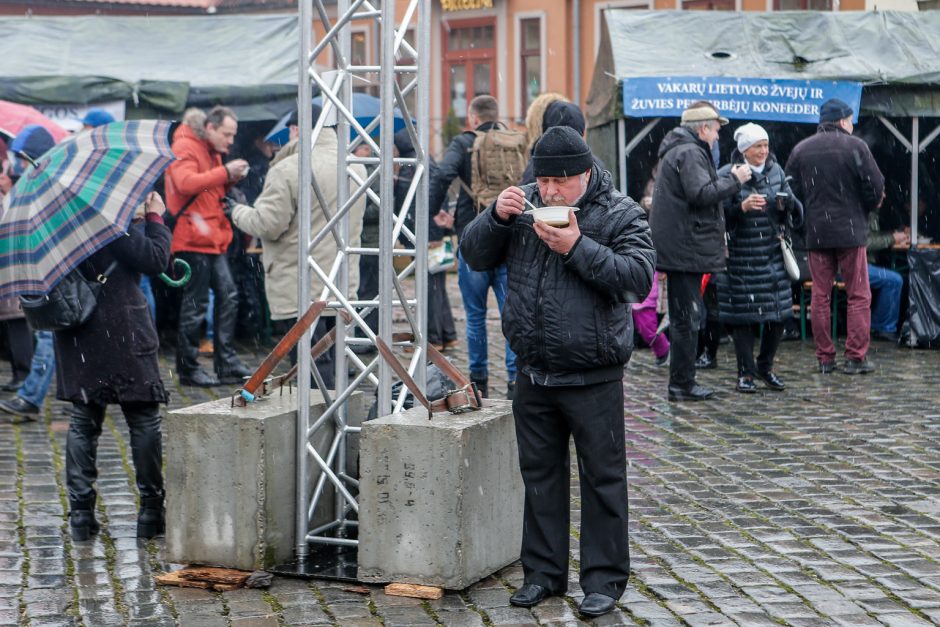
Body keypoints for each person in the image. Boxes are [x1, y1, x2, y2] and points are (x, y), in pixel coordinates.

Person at [460, 126, 655, 618]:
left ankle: (604, 581)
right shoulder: (523, 205)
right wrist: (495, 218)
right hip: (533, 371)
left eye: (559, 182)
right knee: (540, 478)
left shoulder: (621, 212)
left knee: (603, 480)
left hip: (594, 374)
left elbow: (636, 279)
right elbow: (473, 253)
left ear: (585, 174)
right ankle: (543, 574)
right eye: (542, 180)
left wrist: (575, 246)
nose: (548, 191)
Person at [57, 192, 171, 541]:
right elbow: (155, 260)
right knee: (143, 417)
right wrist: (154, 219)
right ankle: (151, 511)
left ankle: (80, 516)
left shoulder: (60, 221)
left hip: (78, 331)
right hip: (121, 325)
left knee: (83, 421)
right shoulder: (108, 216)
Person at [231, 105, 367, 388]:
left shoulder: (289, 168)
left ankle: (317, 428)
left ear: (295, 130)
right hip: (340, 279)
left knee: (311, 363)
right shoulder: (356, 164)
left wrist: (237, 211)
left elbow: (268, 224)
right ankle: (338, 419)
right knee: (333, 356)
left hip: (301, 281)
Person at [649, 102, 751, 401]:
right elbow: (701, 194)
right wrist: (735, 180)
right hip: (685, 249)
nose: (718, 136)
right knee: (686, 320)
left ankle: (683, 382)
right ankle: (682, 384)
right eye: (717, 130)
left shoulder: (681, 149)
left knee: (686, 318)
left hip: (680, 247)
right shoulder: (690, 152)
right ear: (704, 128)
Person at [428, 94, 519, 399]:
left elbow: (442, 174)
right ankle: (515, 379)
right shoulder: (513, 142)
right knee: (511, 314)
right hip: (509, 241)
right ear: (496, 114)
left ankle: (478, 379)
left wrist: (434, 209)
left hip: (473, 240)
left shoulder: (464, 143)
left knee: (475, 315)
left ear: (473, 117)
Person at [786, 98, 885, 374]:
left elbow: (789, 193)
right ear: (842, 120)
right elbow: (876, 186)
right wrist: (865, 207)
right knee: (858, 295)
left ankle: (825, 358)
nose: (852, 125)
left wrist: (804, 221)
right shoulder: (856, 146)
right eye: (850, 120)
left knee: (821, 295)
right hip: (851, 232)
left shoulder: (801, 150)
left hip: (817, 233)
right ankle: (855, 357)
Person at [165, 105, 251, 387]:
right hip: (193, 238)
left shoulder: (209, 149)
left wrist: (229, 179)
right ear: (210, 128)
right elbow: (186, 183)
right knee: (196, 305)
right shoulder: (186, 145)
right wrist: (225, 172)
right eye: (227, 134)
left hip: (210, 237)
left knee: (228, 296)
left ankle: (225, 362)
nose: (230, 141)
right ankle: (188, 368)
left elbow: (206, 189)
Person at [714, 123, 803, 393]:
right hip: (740, 257)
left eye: (766, 145)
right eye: (757, 146)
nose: (764, 151)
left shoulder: (777, 171)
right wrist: (740, 208)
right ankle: (745, 373)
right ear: (744, 150)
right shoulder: (727, 174)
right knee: (744, 318)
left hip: (772, 254)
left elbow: (798, 215)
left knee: (779, 315)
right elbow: (716, 218)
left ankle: (765, 366)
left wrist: (787, 204)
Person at [0, 126, 56, 412]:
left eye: (22, 158)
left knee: (48, 333)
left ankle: (32, 396)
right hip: (48, 268)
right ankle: (89, 394)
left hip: (52, 271)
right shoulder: (38, 181)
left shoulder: (44, 185)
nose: (19, 164)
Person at [866, 210, 907, 342]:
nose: (884, 195)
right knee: (894, 280)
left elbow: (872, 236)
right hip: (852, 267)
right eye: (881, 192)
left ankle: (881, 325)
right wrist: (892, 238)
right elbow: (866, 242)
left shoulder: (870, 213)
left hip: (859, 264)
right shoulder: (860, 213)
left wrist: (893, 234)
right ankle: (883, 327)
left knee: (896, 277)